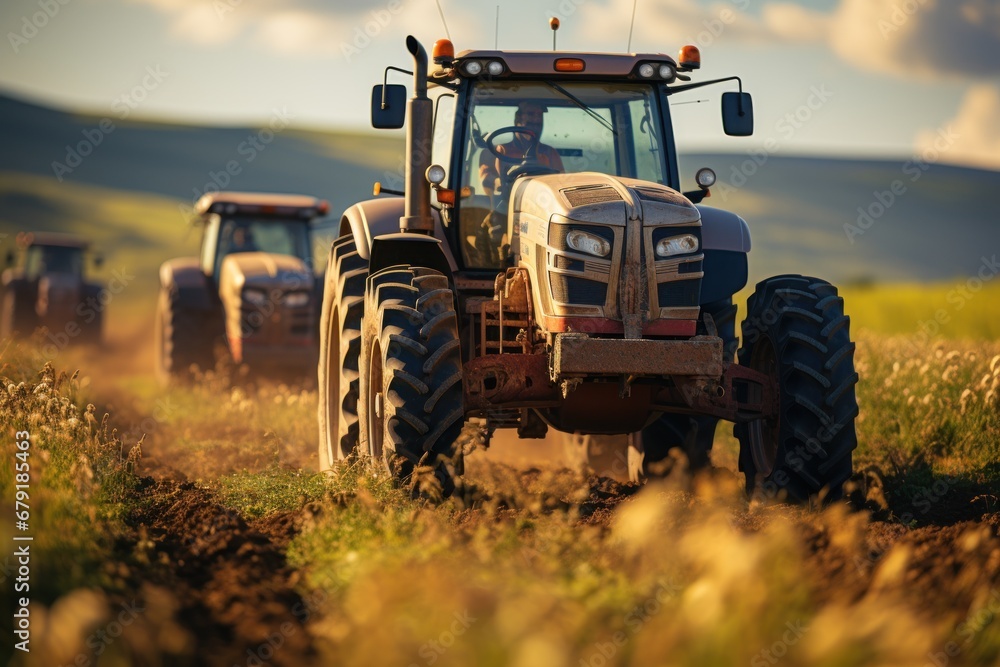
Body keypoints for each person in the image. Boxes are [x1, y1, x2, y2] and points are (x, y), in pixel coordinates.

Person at [478, 101, 564, 196]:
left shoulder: (550, 153)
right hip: (508, 202)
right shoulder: (499, 152)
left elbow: (561, 183)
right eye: (531, 114)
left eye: (539, 115)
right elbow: (487, 182)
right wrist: (501, 182)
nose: (536, 119)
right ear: (518, 120)